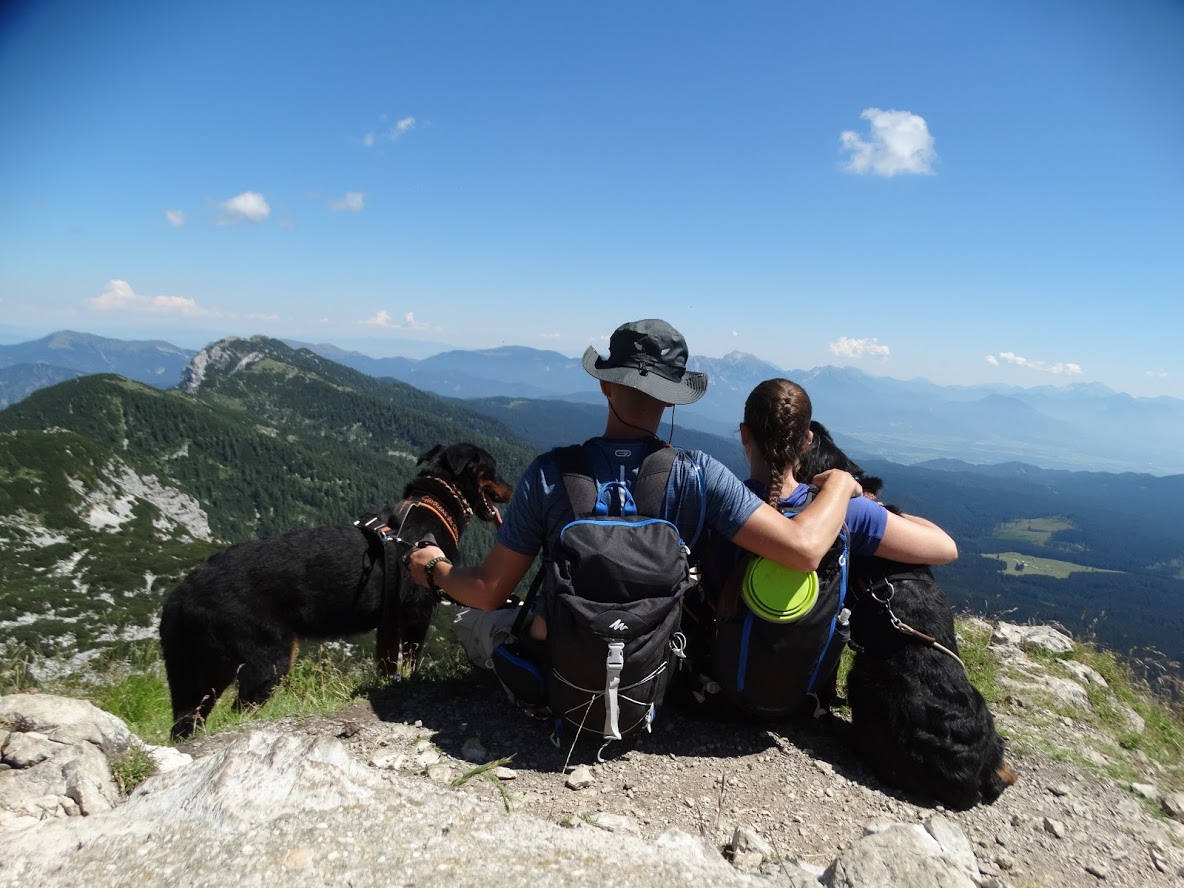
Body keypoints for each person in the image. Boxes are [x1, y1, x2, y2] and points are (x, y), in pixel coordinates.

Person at [408, 319, 864, 664]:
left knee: (475, 620)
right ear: (671, 399)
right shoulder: (699, 474)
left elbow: (488, 590)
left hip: (559, 663)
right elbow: (804, 550)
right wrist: (840, 482)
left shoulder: (550, 473)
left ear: (605, 384)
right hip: (650, 672)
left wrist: (435, 569)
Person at [732, 378, 957, 566]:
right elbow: (946, 548)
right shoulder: (844, 510)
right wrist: (880, 510)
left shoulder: (718, 503)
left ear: (744, 434)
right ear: (807, 442)